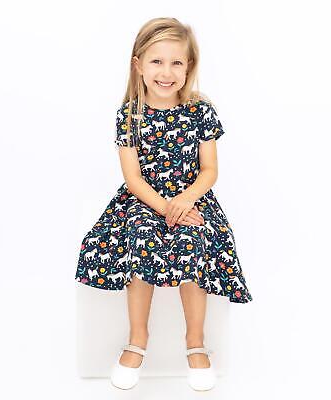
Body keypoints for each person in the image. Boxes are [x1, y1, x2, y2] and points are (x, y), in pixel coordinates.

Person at [75, 17, 253, 391]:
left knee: (195, 240)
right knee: (140, 236)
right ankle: (137, 339)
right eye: (157, 61)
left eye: (176, 62)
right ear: (138, 65)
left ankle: (196, 342)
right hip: (144, 199)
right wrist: (164, 207)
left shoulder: (201, 110)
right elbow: (133, 179)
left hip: (192, 198)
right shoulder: (129, 115)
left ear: (189, 66)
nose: (167, 72)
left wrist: (185, 201)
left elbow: (210, 170)